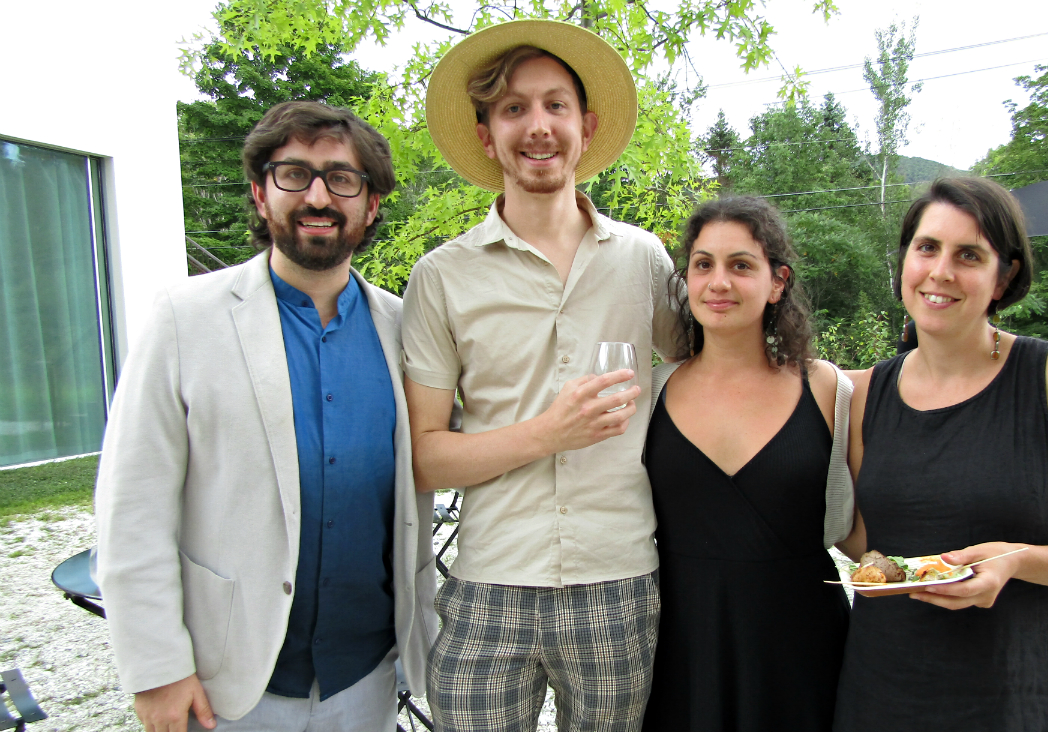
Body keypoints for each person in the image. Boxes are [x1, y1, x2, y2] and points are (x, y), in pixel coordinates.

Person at [94, 101, 439, 732]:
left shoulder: (406, 328)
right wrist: (157, 670)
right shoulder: (183, 318)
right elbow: (131, 510)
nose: (317, 195)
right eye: (293, 174)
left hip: (367, 676)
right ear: (260, 193)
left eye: (342, 178)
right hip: (229, 684)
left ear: (371, 205)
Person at [402, 18, 685, 732]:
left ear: (585, 127)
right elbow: (426, 457)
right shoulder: (441, 277)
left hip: (618, 579)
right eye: (514, 108)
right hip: (488, 581)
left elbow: (711, 370)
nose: (538, 126)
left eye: (555, 105)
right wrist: (549, 432)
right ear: (485, 133)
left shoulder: (642, 259)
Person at [832, 177, 1048, 732]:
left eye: (969, 255)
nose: (940, 272)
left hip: (1011, 689)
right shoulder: (861, 395)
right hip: (884, 685)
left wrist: (1017, 559)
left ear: (1004, 278)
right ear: (903, 260)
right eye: (927, 248)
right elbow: (862, 543)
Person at [640, 196, 860, 732]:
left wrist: (936, 566)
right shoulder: (648, 393)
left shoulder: (828, 388)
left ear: (777, 282)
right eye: (703, 265)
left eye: (741, 265)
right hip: (679, 645)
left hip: (803, 644)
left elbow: (857, 532)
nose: (719, 282)